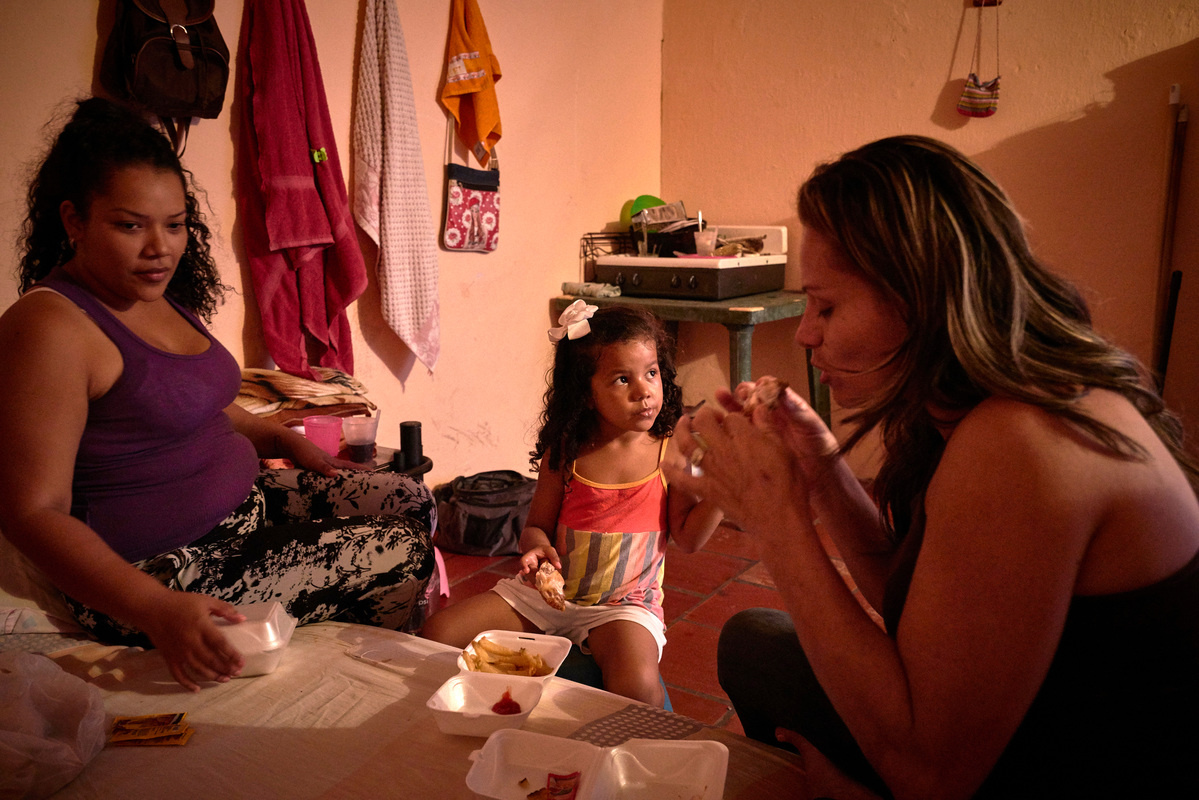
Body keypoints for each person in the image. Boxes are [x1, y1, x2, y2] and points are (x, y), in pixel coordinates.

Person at [663, 136, 1199, 799]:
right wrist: (823, 470)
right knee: (754, 642)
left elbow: (932, 778)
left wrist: (774, 518)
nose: (805, 333)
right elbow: (925, 613)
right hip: (1015, 728)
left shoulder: (1023, 442)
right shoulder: (981, 404)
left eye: (826, 306)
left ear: (919, 297)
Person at [0, 97, 437, 692]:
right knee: (400, 550)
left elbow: (191, 402)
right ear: (74, 221)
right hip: (164, 571)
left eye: (175, 224)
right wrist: (155, 608)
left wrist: (280, 437)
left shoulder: (151, 292)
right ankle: (361, 687)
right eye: (131, 225)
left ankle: (338, 642)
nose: (161, 247)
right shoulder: (51, 327)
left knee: (411, 501)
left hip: (242, 506)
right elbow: (32, 513)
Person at [422, 302, 723, 706]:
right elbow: (536, 527)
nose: (644, 390)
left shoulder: (670, 452)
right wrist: (536, 549)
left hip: (623, 605)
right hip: (547, 598)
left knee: (636, 684)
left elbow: (688, 537)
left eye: (651, 372)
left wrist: (722, 494)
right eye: (622, 378)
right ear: (586, 391)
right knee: (439, 633)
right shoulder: (566, 452)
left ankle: (646, 758)